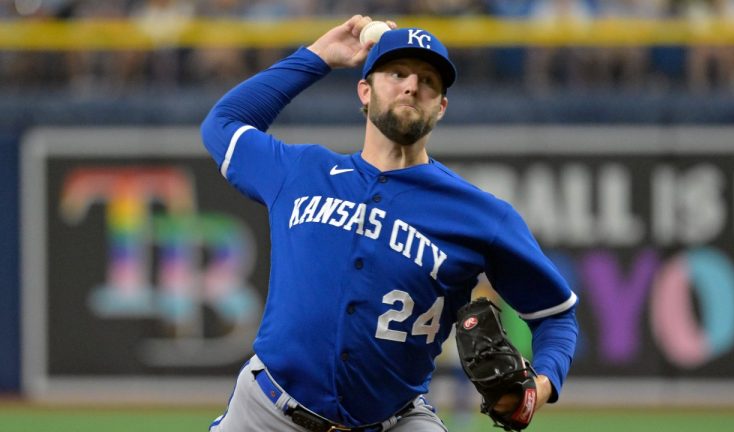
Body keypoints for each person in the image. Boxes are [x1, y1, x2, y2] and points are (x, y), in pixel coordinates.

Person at [201, 15, 578, 432]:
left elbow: (556, 316)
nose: (412, 85)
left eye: (428, 80)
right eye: (396, 73)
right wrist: (319, 56)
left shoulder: (480, 215)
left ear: (441, 107)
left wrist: (539, 388)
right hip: (266, 412)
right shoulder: (301, 171)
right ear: (364, 92)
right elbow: (222, 124)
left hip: (394, 421)